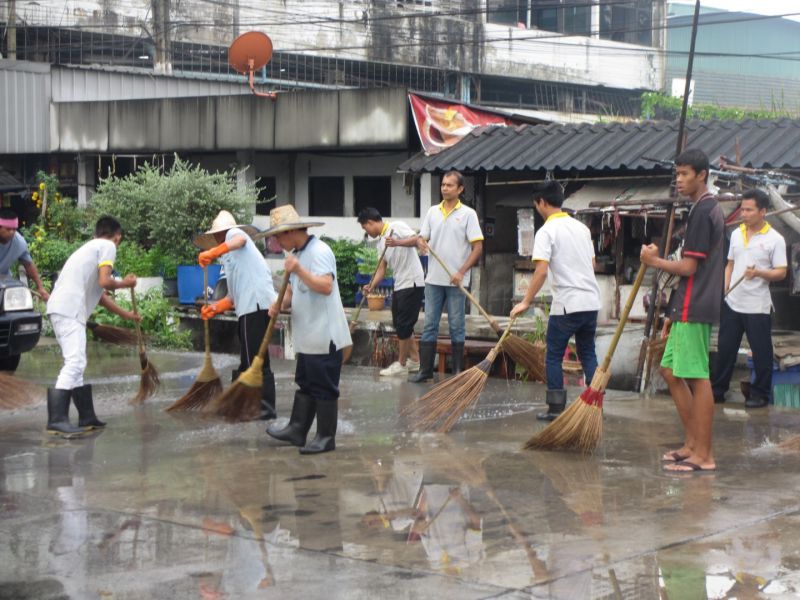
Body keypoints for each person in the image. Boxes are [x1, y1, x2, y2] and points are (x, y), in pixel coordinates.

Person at [640, 148, 724, 473]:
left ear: (701, 174)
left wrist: (654, 262)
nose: (679, 180)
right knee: (671, 371)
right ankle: (692, 444)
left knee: (696, 376)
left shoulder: (705, 211)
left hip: (695, 302)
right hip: (684, 304)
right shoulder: (701, 209)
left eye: (685, 174)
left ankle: (704, 454)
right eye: (677, 174)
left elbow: (689, 267)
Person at [263, 205, 352, 455]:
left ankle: (326, 437)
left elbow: (325, 286)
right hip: (308, 335)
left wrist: (298, 270)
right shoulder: (297, 255)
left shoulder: (319, 251)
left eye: (278, 236)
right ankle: (297, 428)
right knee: (305, 383)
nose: (277, 241)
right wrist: (278, 304)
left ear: (291, 232)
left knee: (324, 386)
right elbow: (292, 291)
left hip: (325, 335)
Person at [510, 181, 601, 421]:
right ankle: (595, 407)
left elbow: (541, 271)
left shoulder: (546, 231)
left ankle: (555, 409)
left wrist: (525, 302)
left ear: (541, 202)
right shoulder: (581, 228)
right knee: (588, 353)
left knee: (553, 355)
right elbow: (592, 265)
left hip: (567, 303)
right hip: (591, 301)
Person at [45, 216, 139, 437]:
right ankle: (56, 419)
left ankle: (86, 417)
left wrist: (127, 315)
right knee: (75, 362)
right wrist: (125, 283)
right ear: (117, 237)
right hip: (69, 310)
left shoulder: (90, 248)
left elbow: (101, 295)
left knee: (78, 363)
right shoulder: (107, 246)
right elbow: (106, 282)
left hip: (63, 309)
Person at [194, 210, 278, 420]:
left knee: (253, 359)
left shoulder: (234, 235)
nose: (216, 239)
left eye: (217, 235)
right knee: (250, 356)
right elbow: (232, 296)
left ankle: (260, 407)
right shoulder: (228, 259)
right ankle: (245, 403)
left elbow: (239, 240)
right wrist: (214, 308)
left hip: (256, 303)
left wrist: (212, 253)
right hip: (246, 307)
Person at [712, 188, 787, 408]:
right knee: (725, 350)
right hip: (733, 302)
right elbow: (730, 264)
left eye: (748, 209)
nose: (743, 213)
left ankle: (760, 394)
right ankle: (717, 390)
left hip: (758, 306)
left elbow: (781, 272)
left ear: (762, 211)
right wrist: (724, 290)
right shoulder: (736, 233)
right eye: (742, 209)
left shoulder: (775, 239)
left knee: (762, 353)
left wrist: (759, 273)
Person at [411, 171, 484, 383]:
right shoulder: (433, 212)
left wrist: (461, 271)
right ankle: (425, 371)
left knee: (456, 325)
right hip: (433, 279)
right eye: (443, 185)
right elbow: (421, 238)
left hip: (456, 281)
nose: (444, 188)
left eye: (450, 185)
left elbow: (477, 248)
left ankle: (457, 373)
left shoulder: (468, 214)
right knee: (430, 324)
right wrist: (421, 242)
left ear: (460, 189)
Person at [357, 207, 425, 377]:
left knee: (404, 324)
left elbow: (416, 239)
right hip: (400, 284)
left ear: (370, 222)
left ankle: (401, 364)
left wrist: (397, 242)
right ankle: (415, 361)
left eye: (365, 228)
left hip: (412, 281)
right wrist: (370, 285)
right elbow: (381, 268)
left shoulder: (397, 226)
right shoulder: (381, 242)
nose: (366, 232)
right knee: (400, 323)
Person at [0, 208, 50, 300]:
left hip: (4, 283)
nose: (11, 232)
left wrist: (40, 287)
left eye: (14, 229)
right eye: (8, 229)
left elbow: (28, 264)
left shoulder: (19, 242)